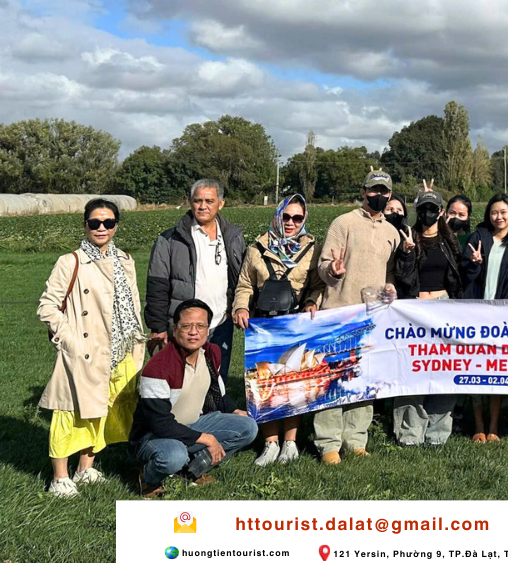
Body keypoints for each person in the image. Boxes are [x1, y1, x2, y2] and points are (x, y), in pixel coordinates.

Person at [38, 199, 146, 498]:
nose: (101, 228)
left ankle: (85, 468)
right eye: (95, 222)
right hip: (86, 349)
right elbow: (47, 306)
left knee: (103, 408)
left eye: (108, 222)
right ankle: (60, 477)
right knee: (69, 411)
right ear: (85, 225)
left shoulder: (125, 259)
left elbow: (133, 303)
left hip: (122, 347)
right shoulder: (70, 261)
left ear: (116, 226)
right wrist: (70, 340)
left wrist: (137, 339)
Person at [308, 168, 402, 462]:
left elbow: (389, 271)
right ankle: (328, 443)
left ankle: (356, 438)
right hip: (339, 312)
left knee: (364, 381)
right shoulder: (343, 223)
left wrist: (390, 286)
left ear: (390, 194)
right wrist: (333, 270)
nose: (378, 195)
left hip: (372, 316)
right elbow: (324, 265)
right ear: (363, 192)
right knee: (334, 380)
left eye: (383, 191)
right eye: (373, 190)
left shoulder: (391, 233)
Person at [131, 299, 257, 496]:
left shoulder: (211, 353)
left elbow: (217, 391)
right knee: (174, 456)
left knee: (248, 426)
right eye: (186, 326)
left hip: (194, 424)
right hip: (155, 435)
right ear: (175, 329)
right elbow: (159, 423)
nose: (193, 332)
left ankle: (190, 471)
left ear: (208, 329)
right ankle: (148, 477)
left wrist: (234, 410)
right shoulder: (158, 367)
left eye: (200, 326)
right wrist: (207, 439)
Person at [231, 194, 317, 466]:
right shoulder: (257, 249)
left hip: (295, 324)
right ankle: (270, 443)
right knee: (265, 383)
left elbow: (317, 285)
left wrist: (313, 302)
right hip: (263, 325)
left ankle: (290, 442)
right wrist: (241, 307)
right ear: (277, 216)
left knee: (294, 382)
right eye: (286, 216)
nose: (291, 222)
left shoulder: (312, 249)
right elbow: (245, 284)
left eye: (297, 218)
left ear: (304, 220)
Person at [387, 184, 465, 447]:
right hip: (415, 309)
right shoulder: (407, 237)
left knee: (444, 370)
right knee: (412, 370)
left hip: (444, 307)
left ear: (441, 212)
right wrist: (406, 254)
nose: (428, 214)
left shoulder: (449, 241)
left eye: (433, 209)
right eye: (423, 209)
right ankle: (410, 432)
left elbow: (460, 275)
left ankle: (437, 432)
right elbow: (403, 279)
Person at [144, 179, 246, 377]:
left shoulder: (233, 237)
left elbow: (242, 278)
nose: (203, 206)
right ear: (190, 202)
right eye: (198, 200)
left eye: (209, 201)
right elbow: (157, 286)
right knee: (183, 382)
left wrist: (237, 307)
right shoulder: (170, 240)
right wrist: (158, 326)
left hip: (220, 323)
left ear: (221, 204)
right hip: (186, 327)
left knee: (217, 381)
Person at [461, 193, 508, 441]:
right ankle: (478, 425)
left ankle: (494, 426)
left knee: (496, 369)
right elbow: (466, 274)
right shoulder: (478, 237)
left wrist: (505, 314)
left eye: (503, 212)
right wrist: (475, 263)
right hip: (475, 313)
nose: (498, 217)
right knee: (475, 368)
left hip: (501, 316)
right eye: (493, 212)